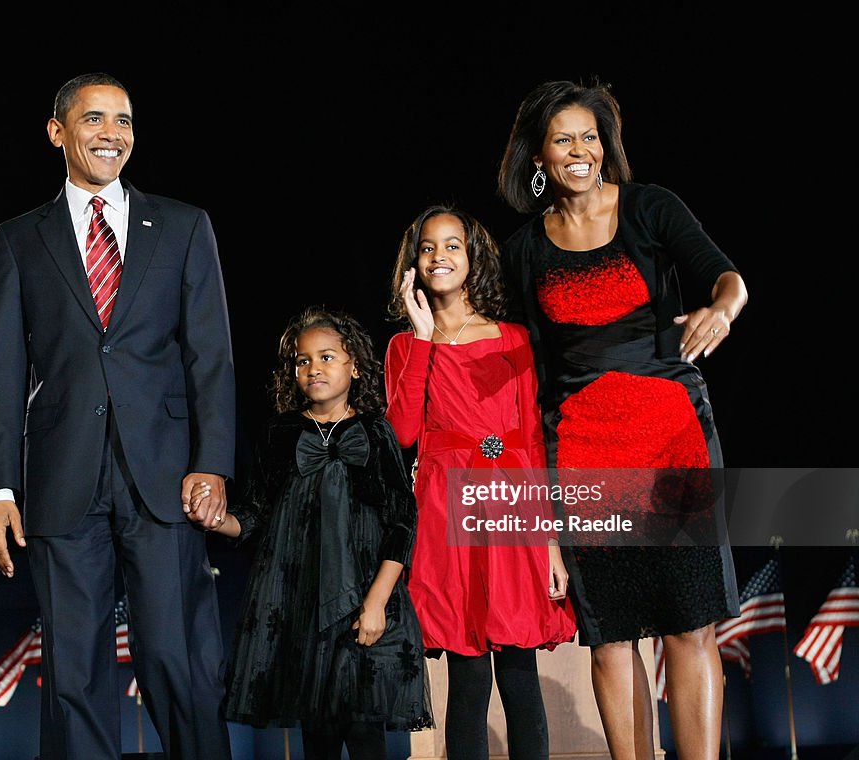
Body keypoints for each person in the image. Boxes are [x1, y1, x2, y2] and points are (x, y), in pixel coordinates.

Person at [0, 72, 236, 760]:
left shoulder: (183, 225)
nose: (112, 134)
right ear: (58, 131)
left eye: (123, 120)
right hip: (63, 479)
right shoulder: (19, 239)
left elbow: (210, 356)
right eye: (94, 119)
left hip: (165, 476)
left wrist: (212, 463)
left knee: (179, 661)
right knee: (74, 674)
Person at [495, 79, 748, 760]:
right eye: (562, 139)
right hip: (583, 449)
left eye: (590, 136)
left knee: (690, 626)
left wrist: (719, 310)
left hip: (673, 436)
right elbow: (532, 378)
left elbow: (727, 279)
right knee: (611, 636)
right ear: (538, 157)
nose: (579, 150)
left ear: (605, 146)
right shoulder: (523, 252)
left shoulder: (649, 208)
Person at [189, 306, 433, 760]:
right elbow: (256, 513)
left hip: (365, 599)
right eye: (303, 361)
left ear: (354, 365)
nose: (314, 368)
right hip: (299, 604)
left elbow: (403, 519)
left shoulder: (376, 432)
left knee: (364, 733)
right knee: (317, 734)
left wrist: (378, 601)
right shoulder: (280, 432)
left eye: (326, 357)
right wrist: (216, 519)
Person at [384, 205, 577, 760]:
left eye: (452, 245)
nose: (439, 256)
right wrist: (422, 338)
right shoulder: (405, 345)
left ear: (473, 258)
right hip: (447, 512)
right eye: (428, 247)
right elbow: (402, 432)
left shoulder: (513, 338)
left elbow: (532, 446)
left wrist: (550, 545)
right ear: (413, 263)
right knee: (468, 680)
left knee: (519, 672)